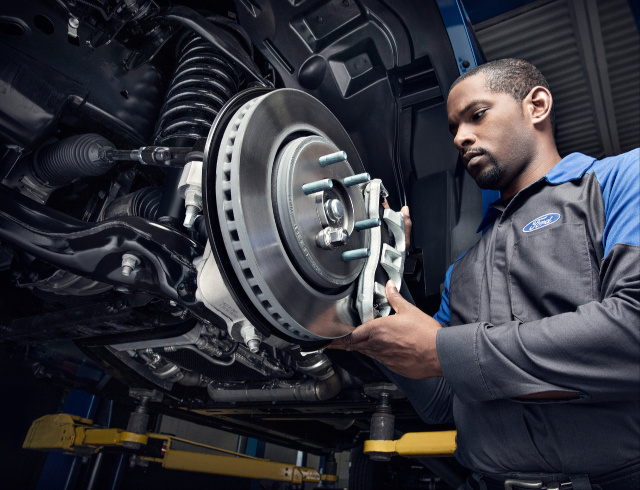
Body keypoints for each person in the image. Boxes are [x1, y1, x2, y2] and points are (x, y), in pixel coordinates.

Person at [331, 59, 640, 489]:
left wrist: (446, 351)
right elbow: (443, 402)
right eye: (454, 128)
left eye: (476, 115)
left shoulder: (619, 181)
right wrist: (379, 277)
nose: (460, 137)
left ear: (536, 106)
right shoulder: (463, 269)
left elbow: (632, 332)